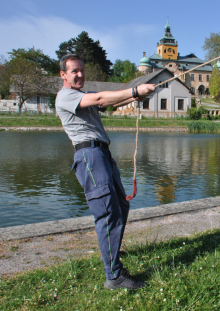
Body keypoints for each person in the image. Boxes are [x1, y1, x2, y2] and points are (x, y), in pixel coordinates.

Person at [56, 54, 155, 290]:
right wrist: (134, 91)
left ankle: (112, 255)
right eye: (74, 71)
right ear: (63, 75)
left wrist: (138, 95)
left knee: (121, 206)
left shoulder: (81, 96)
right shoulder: (66, 96)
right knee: (108, 212)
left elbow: (107, 103)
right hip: (89, 156)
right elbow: (100, 96)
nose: (80, 74)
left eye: (82, 70)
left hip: (103, 155)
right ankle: (114, 276)